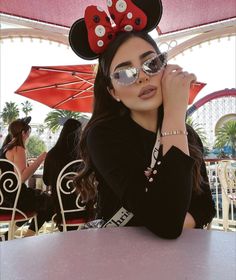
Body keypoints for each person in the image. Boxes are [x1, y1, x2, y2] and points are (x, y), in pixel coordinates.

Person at [69, 0, 216, 238]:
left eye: (151, 63)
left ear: (165, 69)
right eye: (125, 73)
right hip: (121, 260)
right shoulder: (105, 136)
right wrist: (174, 117)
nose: (142, 78)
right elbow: (167, 223)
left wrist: (174, 119)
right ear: (112, 91)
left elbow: (204, 207)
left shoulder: (187, 134)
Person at [0, 117, 53, 239]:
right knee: (49, 203)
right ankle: (26, 238)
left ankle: (6, 237)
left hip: (4, 197)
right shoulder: (18, 148)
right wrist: (41, 158)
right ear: (23, 133)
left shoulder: (5, 148)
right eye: (29, 132)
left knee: (40, 203)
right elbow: (22, 177)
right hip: (15, 198)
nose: (29, 135)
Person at [43, 118, 87, 229]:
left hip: (59, 208)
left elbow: (46, 181)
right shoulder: (83, 155)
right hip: (82, 207)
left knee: (43, 204)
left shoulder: (52, 154)